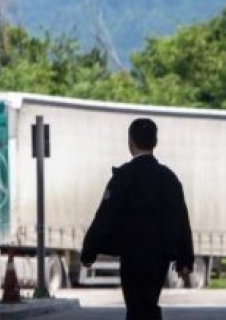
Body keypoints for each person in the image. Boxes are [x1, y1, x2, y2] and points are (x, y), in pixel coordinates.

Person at [80, 118, 194, 320]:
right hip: (159, 258)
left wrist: (89, 251)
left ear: (130, 143)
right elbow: (180, 219)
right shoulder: (169, 178)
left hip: (132, 256)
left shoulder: (123, 176)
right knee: (148, 301)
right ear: (155, 142)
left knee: (136, 305)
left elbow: (105, 215)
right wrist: (185, 259)